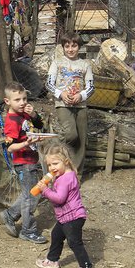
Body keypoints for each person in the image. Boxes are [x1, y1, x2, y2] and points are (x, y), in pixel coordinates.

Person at [35, 142, 95, 268]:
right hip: (65, 217)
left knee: (74, 242)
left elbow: (60, 199)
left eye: (55, 163)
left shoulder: (65, 178)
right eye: (49, 165)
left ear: (66, 161)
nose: (52, 168)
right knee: (56, 235)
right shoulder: (66, 175)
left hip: (73, 217)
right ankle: (52, 260)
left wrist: (45, 190)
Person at [0, 81, 46, 244]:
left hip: (31, 159)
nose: (23, 102)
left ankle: (10, 214)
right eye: (17, 100)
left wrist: (33, 115)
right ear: (7, 101)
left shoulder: (24, 114)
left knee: (29, 194)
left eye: (24, 98)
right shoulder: (12, 121)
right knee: (31, 197)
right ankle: (28, 230)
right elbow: (10, 147)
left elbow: (39, 125)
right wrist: (26, 143)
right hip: (23, 162)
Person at [46, 31, 94, 172]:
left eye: (74, 46)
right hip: (63, 105)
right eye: (67, 46)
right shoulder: (57, 63)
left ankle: (75, 174)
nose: (70, 49)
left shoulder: (85, 65)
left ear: (79, 47)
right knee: (71, 134)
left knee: (81, 140)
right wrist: (61, 94)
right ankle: (53, 148)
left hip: (81, 106)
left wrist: (82, 95)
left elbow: (91, 87)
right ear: (63, 47)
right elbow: (49, 84)